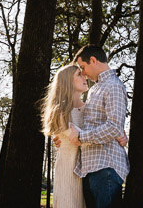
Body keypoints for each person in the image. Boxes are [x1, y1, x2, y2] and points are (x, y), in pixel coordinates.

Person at [66, 44, 129, 208]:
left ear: (93, 60)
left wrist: (81, 137)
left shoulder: (113, 86)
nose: (83, 73)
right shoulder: (95, 89)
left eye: (83, 67)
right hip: (91, 167)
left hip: (105, 166)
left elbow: (114, 127)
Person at [41, 64, 89, 208]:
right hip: (68, 172)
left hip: (90, 171)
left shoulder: (90, 108)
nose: (84, 77)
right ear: (68, 81)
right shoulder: (60, 112)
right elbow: (80, 139)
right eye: (79, 75)